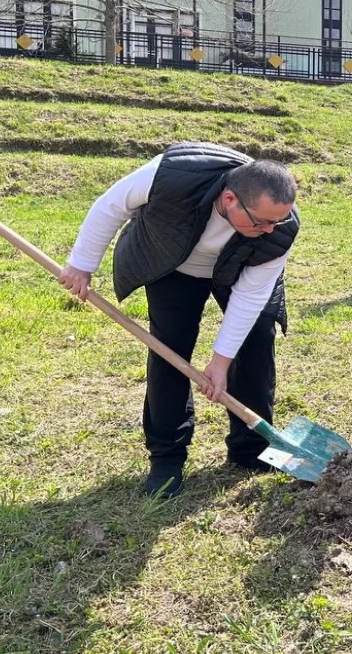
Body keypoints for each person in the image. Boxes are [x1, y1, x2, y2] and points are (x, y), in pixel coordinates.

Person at [57, 143, 299, 498]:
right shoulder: (172, 175)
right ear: (230, 199)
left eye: (277, 221)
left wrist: (219, 362)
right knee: (170, 350)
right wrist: (81, 264)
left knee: (256, 343)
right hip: (171, 262)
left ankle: (252, 447)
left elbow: (250, 298)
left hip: (236, 270)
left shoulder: (278, 228)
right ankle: (167, 456)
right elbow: (111, 206)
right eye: (262, 221)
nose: (270, 229)